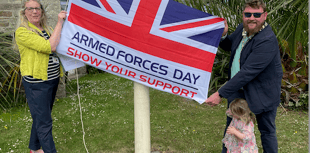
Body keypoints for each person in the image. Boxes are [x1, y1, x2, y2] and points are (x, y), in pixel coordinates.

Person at [205, 0, 283, 153]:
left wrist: (219, 93)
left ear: (265, 15)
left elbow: (247, 72)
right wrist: (223, 35)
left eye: (257, 14)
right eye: (248, 14)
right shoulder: (243, 28)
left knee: (266, 132)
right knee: (231, 129)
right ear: (243, 15)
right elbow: (229, 46)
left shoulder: (267, 40)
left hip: (262, 93)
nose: (252, 18)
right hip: (238, 91)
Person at [15, 0, 67, 153]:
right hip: (37, 83)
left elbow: (58, 43)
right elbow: (49, 46)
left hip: (52, 79)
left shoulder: (46, 28)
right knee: (44, 122)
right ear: (24, 12)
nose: (34, 12)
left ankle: (34, 149)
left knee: (41, 117)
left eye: (37, 8)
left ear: (42, 11)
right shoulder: (22, 32)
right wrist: (60, 22)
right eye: (30, 9)